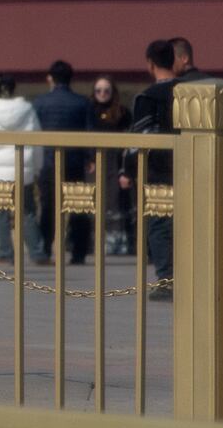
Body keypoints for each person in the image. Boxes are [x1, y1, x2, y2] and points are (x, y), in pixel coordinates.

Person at [0, 75, 46, 265]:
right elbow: (37, 140)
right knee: (27, 211)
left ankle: (6, 253)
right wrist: (37, 166)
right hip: (21, 166)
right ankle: (37, 253)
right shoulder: (27, 109)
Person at [125, 39, 177, 299]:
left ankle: (167, 279)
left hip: (158, 171)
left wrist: (127, 170)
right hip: (190, 167)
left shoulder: (147, 97)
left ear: (150, 64)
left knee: (159, 225)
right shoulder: (189, 92)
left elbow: (137, 140)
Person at [30, 60, 92, 266]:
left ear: (50, 78)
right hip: (75, 161)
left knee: (48, 207)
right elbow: (91, 133)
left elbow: (34, 134)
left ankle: (45, 249)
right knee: (77, 206)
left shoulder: (40, 102)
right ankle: (79, 252)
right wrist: (90, 158)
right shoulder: (82, 102)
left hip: (48, 161)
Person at [89, 75, 134, 256]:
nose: (102, 94)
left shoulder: (122, 112)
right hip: (95, 162)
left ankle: (119, 243)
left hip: (116, 162)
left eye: (106, 90)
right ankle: (94, 242)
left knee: (117, 200)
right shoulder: (89, 111)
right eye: (98, 90)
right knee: (95, 201)